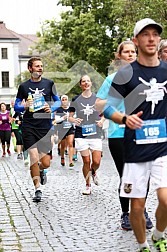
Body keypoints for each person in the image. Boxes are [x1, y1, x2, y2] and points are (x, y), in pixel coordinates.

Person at [104, 18, 167, 252]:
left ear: (158, 40)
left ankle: (159, 234)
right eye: (145, 35)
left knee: (166, 199)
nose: (151, 39)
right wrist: (124, 118)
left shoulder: (166, 70)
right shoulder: (126, 74)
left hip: (163, 146)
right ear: (136, 40)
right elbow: (106, 106)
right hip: (135, 149)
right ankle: (142, 246)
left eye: (155, 35)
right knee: (137, 208)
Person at [95, 40, 152, 231]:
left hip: (144, 133)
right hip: (119, 133)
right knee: (126, 175)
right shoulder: (112, 79)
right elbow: (98, 104)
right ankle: (126, 214)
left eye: (133, 51)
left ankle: (141, 210)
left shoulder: (146, 77)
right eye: (126, 52)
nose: (130, 54)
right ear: (119, 56)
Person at [14, 56, 61, 202]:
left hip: (45, 126)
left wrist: (51, 108)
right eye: (37, 66)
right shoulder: (23, 86)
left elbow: (58, 100)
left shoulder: (49, 83)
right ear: (30, 68)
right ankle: (37, 189)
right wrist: (24, 106)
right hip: (29, 125)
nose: (40, 68)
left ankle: (41, 171)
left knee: (45, 162)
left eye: (41, 66)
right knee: (33, 156)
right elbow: (16, 105)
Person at [68, 75, 105, 195]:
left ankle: (93, 171)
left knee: (96, 161)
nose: (86, 83)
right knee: (86, 160)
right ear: (80, 84)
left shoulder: (97, 98)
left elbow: (105, 113)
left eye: (88, 81)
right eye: (83, 81)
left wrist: (102, 121)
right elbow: (69, 116)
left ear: (91, 83)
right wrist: (74, 120)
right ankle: (88, 185)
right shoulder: (76, 99)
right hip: (81, 133)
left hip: (95, 133)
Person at [53, 95, 75, 167]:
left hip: (70, 128)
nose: (65, 101)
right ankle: (62, 157)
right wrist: (63, 118)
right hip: (62, 129)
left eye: (66, 99)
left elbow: (75, 117)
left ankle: (71, 160)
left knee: (70, 143)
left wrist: (72, 119)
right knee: (63, 145)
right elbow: (56, 120)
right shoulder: (59, 109)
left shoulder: (71, 109)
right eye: (63, 99)